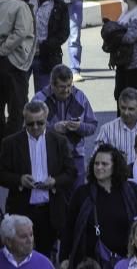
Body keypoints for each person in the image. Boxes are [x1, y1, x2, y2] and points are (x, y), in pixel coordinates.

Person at [0, 100, 77, 257]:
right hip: (22, 210)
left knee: (47, 255)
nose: (35, 127)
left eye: (40, 123)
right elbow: (1, 173)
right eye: (30, 124)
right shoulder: (11, 143)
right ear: (24, 121)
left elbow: (71, 172)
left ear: (47, 120)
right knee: (19, 254)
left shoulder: (59, 141)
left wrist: (55, 181)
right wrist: (19, 180)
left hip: (51, 212)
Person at [60, 145, 137, 268]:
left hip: (127, 262)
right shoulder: (82, 193)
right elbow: (69, 227)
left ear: (115, 166)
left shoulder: (131, 191)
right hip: (91, 263)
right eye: (96, 163)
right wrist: (64, 258)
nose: (99, 167)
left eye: (104, 164)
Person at [32, 64, 97, 186]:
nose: (67, 90)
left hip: (75, 155)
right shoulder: (39, 99)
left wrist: (79, 127)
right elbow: (28, 129)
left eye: (69, 86)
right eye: (62, 87)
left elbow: (92, 125)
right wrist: (52, 128)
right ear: (52, 85)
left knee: (77, 195)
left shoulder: (80, 97)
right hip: (48, 155)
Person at [0, 0, 36, 137]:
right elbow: (21, 32)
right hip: (13, 62)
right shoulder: (21, 7)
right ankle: (10, 144)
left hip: (5, 60)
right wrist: (4, 49)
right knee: (17, 108)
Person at [21, 0, 68, 94]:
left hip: (46, 58)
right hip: (23, 55)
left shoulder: (60, 6)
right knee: (18, 95)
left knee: (43, 96)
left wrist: (44, 47)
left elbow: (64, 33)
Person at [94, 88, 137, 165]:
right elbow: (96, 159)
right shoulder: (107, 130)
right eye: (123, 108)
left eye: (131, 109)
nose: (126, 112)